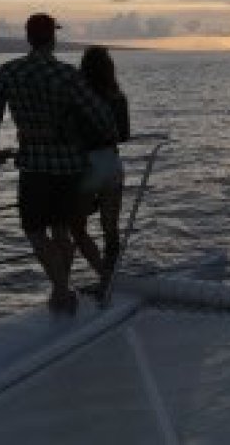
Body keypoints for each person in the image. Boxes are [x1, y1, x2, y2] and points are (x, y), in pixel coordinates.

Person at [0, 13, 118, 313]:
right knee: (62, 230)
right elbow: (102, 118)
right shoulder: (67, 75)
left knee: (34, 231)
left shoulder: (9, 72)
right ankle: (62, 291)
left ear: (29, 38)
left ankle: (61, 292)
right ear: (52, 39)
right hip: (69, 168)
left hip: (33, 166)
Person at [74, 45, 131, 295]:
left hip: (85, 167)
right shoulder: (118, 97)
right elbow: (125, 135)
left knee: (77, 228)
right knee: (111, 229)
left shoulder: (79, 98)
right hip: (111, 164)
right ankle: (110, 279)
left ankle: (101, 276)